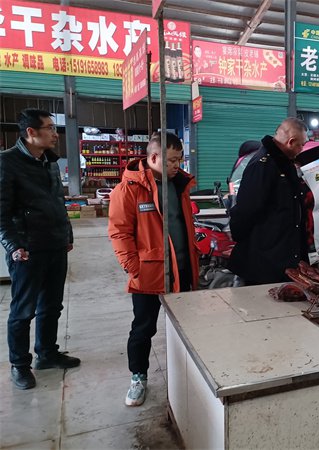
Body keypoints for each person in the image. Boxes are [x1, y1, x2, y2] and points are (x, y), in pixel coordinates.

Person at [108, 132, 198, 407]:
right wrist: (133, 267)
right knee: (143, 328)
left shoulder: (179, 184)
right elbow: (119, 232)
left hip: (183, 268)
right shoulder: (129, 189)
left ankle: (190, 376)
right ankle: (138, 377)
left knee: (186, 328)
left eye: (179, 160)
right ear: (154, 157)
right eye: (172, 160)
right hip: (149, 272)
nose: (177, 165)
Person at [0, 109, 79, 390]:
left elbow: (58, 202)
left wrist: (66, 234)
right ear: (30, 132)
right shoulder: (7, 162)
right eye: (49, 128)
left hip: (55, 245)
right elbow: (1, 213)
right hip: (28, 250)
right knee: (24, 310)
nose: (55, 133)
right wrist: (14, 246)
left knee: (52, 305)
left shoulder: (50, 162)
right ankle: (19, 365)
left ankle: (46, 354)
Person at [229, 117, 309, 285]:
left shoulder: (284, 163)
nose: (302, 149)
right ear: (290, 142)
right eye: (301, 145)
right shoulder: (263, 165)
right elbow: (246, 211)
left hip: (282, 258)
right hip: (265, 262)